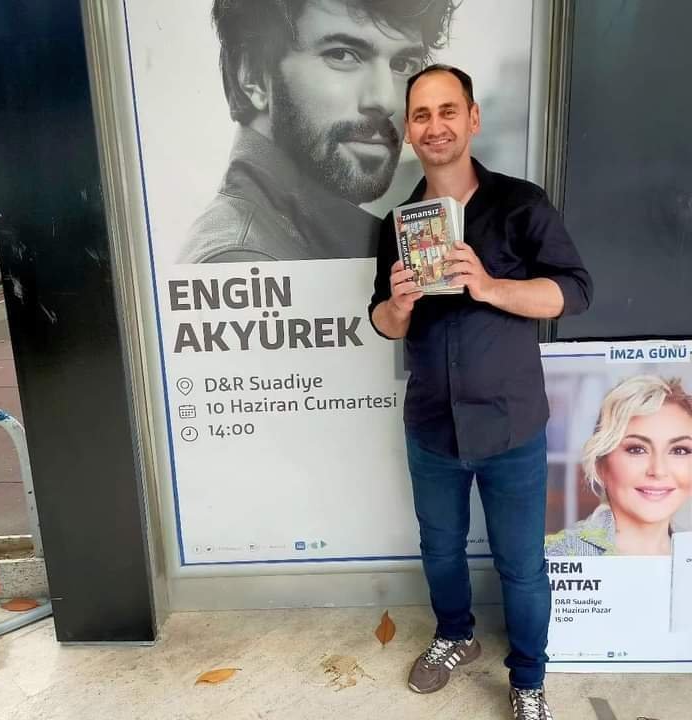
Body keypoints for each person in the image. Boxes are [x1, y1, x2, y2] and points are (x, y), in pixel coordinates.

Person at [368, 65, 592, 719]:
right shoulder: (398, 223)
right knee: (439, 548)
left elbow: (575, 292)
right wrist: (399, 304)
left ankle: (528, 681)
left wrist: (491, 286)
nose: (434, 126)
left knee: (521, 565)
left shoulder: (522, 205)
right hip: (432, 426)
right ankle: (455, 636)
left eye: (447, 111)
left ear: (472, 119)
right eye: (421, 115)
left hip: (511, 426)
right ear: (408, 131)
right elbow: (381, 320)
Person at [180, 0, 457, 263]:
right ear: (253, 76)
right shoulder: (246, 259)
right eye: (342, 55)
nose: (386, 101)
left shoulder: (321, 240)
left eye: (403, 65)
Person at [546, 375, 692, 556]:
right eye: (637, 449)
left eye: (679, 450)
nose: (658, 470)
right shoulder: (556, 556)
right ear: (600, 464)